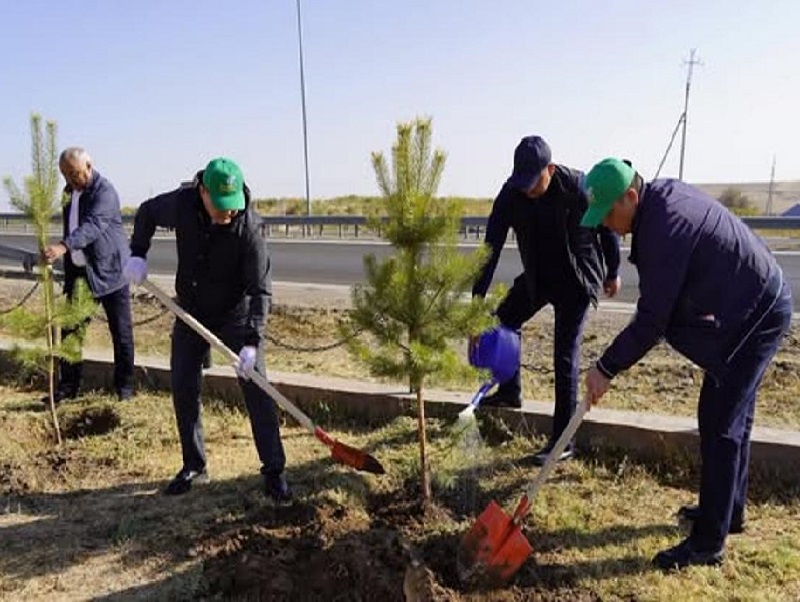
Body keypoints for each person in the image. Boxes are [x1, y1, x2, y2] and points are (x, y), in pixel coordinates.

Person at [582, 158, 792, 571]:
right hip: (747, 303)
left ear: (630, 196)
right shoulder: (658, 204)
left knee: (718, 419)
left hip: (756, 313)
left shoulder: (664, 228)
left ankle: (708, 544)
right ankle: (728, 511)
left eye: (608, 214)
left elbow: (652, 320)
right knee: (731, 415)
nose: (607, 224)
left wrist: (605, 368)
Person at [123, 157, 291, 503]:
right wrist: (138, 252)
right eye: (222, 205)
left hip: (235, 314)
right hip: (190, 311)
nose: (229, 213)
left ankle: (275, 471)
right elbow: (147, 213)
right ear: (203, 192)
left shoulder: (249, 229)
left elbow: (261, 291)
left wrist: (252, 342)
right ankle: (194, 465)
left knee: (257, 389)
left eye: (233, 205)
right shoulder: (182, 204)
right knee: (184, 385)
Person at [472, 135, 621, 466]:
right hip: (539, 276)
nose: (527, 189)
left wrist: (613, 271)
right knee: (504, 319)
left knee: (564, 356)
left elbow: (606, 227)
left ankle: (562, 442)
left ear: (550, 169)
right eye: (521, 182)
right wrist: (475, 307)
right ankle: (510, 391)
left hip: (576, 279)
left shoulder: (578, 187)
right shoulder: (511, 194)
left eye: (533, 181)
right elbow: (489, 250)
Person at [42, 147, 135, 402]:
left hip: (111, 272)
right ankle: (68, 388)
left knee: (121, 334)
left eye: (75, 173)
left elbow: (92, 226)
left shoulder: (105, 192)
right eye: (65, 174)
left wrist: (63, 246)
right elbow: (70, 225)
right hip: (80, 275)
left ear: (89, 166)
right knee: (71, 332)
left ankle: (125, 390)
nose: (70, 179)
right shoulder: (68, 192)